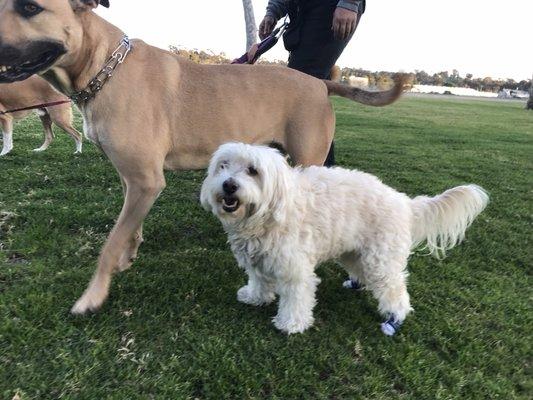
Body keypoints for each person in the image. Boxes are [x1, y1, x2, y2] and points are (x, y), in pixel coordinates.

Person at [259, 0, 366, 167]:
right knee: (308, 93)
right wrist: (273, 11)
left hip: (331, 6)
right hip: (300, 10)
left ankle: (318, 178)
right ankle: (325, 177)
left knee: (302, 89)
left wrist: (349, 2)